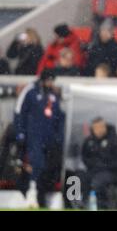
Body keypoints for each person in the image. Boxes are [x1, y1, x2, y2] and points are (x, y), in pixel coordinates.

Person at [16, 69, 65, 208]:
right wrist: (20, 132)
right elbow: (20, 112)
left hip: (48, 140)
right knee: (37, 165)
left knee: (44, 169)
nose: (50, 83)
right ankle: (31, 195)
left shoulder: (52, 96)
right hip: (33, 137)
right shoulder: (30, 91)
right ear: (43, 80)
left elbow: (59, 117)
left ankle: (38, 197)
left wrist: (58, 136)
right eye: (49, 80)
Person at [81, 117, 117, 209]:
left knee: (99, 182)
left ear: (105, 127)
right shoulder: (89, 141)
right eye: (96, 128)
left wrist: (107, 166)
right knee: (78, 178)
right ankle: (81, 205)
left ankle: (102, 207)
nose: (99, 130)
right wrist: (94, 165)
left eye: (101, 127)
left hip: (113, 172)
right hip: (94, 171)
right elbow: (85, 157)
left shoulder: (116, 140)